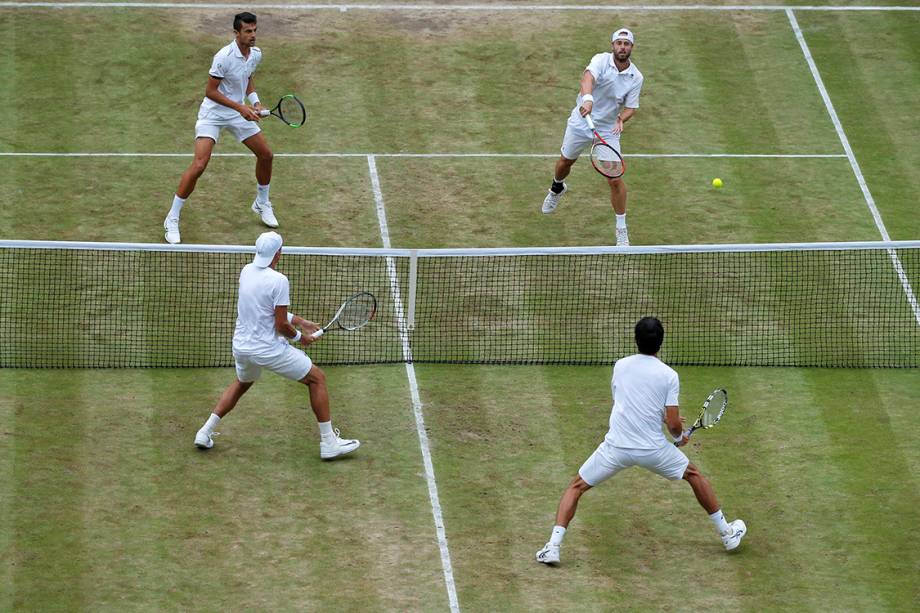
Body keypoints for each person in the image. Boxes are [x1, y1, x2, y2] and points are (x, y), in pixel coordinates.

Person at [536, 317, 745, 565]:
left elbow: (626, 402)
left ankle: (553, 546)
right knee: (694, 475)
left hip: (616, 447)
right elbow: (673, 422)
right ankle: (727, 533)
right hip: (652, 450)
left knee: (576, 487)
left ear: (636, 340)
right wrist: (679, 436)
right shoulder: (669, 375)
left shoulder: (620, 366)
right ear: (661, 343)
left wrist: (667, 423)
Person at [194, 231, 360, 460]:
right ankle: (329, 442)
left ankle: (204, 432)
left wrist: (301, 322)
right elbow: (280, 324)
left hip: (242, 347)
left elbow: (266, 310)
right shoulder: (279, 280)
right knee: (317, 378)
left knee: (243, 382)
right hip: (268, 349)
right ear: (278, 254)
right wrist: (302, 338)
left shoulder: (246, 271)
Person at [164, 12, 278, 244]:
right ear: (236, 33)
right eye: (248, 31)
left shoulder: (255, 54)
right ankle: (172, 217)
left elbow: (247, 79)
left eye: (255, 30)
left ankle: (261, 203)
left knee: (266, 155)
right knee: (199, 165)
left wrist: (254, 101)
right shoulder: (223, 57)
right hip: (213, 114)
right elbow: (211, 92)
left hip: (238, 112)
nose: (253, 35)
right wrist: (241, 108)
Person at [541, 27, 644, 247]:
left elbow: (631, 107)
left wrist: (621, 119)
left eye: (626, 44)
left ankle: (621, 230)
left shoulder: (636, 77)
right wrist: (587, 99)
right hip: (581, 120)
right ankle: (557, 187)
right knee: (565, 162)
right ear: (613, 45)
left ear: (631, 47)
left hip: (607, 129)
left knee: (615, 178)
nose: (622, 47)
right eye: (619, 43)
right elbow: (587, 78)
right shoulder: (600, 60)